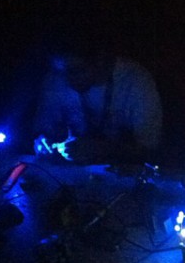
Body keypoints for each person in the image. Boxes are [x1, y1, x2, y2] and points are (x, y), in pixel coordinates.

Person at [31, 33, 163, 165]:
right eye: (61, 72)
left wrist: (104, 149)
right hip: (69, 171)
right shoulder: (56, 78)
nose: (68, 80)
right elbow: (42, 130)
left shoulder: (136, 81)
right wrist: (43, 141)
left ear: (100, 60)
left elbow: (150, 148)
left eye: (76, 70)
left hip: (121, 170)